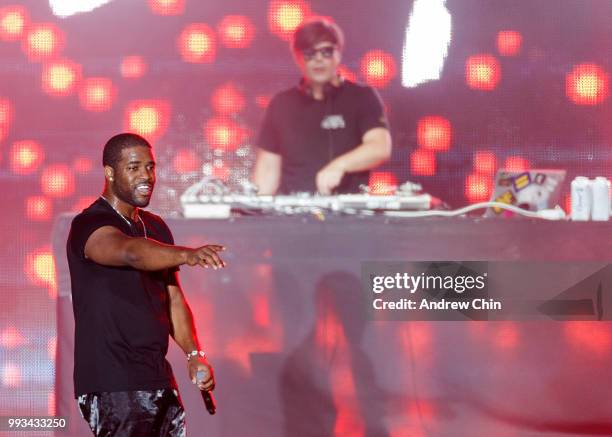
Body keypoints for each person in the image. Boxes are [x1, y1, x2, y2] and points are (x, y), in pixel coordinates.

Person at [66, 133, 225, 436]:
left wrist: (194, 355)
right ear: (110, 172)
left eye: (150, 167)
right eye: (134, 167)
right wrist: (188, 255)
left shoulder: (155, 227)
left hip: (158, 380)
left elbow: (173, 299)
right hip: (113, 383)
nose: (146, 176)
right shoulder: (89, 224)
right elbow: (131, 252)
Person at [253, 17, 392, 195]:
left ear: (338, 54)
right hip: (293, 216)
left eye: (326, 52)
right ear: (298, 58)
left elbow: (379, 148)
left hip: (349, 216)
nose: (319, 59)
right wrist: (252, 210)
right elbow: (267, 171)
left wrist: (339, 166)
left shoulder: (362, 97)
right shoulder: (281, 104)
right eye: (310, 53)